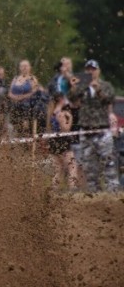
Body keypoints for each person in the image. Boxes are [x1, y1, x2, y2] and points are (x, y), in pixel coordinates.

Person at [68, 60, 120, 192]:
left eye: (93, 69)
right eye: (88, 70)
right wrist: (73, 86)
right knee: (89, 167)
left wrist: (98, 90)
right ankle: (95, 194)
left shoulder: (105, 85)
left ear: (98, 71)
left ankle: (113, 193)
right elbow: (72, 101)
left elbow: (110, 100)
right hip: (86, 130)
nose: (91, 72)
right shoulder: (82, 86)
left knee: (109, 162)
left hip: (102, 129)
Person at [48, 92, 78, 191]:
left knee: (59, 168)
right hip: (62, 141)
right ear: (61, 100)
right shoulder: (61, 113)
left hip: (54, 140)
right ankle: (72, 189)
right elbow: (65, 129)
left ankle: (54, 189)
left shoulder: (52, 112)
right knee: (72, 165)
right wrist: (70, 118)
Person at [8, 59, 40, 137]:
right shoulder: (15, 78)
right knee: (14, 123)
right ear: (20, 68)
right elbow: (9, 92)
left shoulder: (32, 78)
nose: (24, 68)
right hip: (15, 104)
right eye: (22, 66)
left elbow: (35, 91)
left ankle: (26, 137)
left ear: (29, 67)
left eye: (26, 66)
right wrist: (15, 97)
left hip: (27, 105)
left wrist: (23, 97)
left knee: (25, 123)